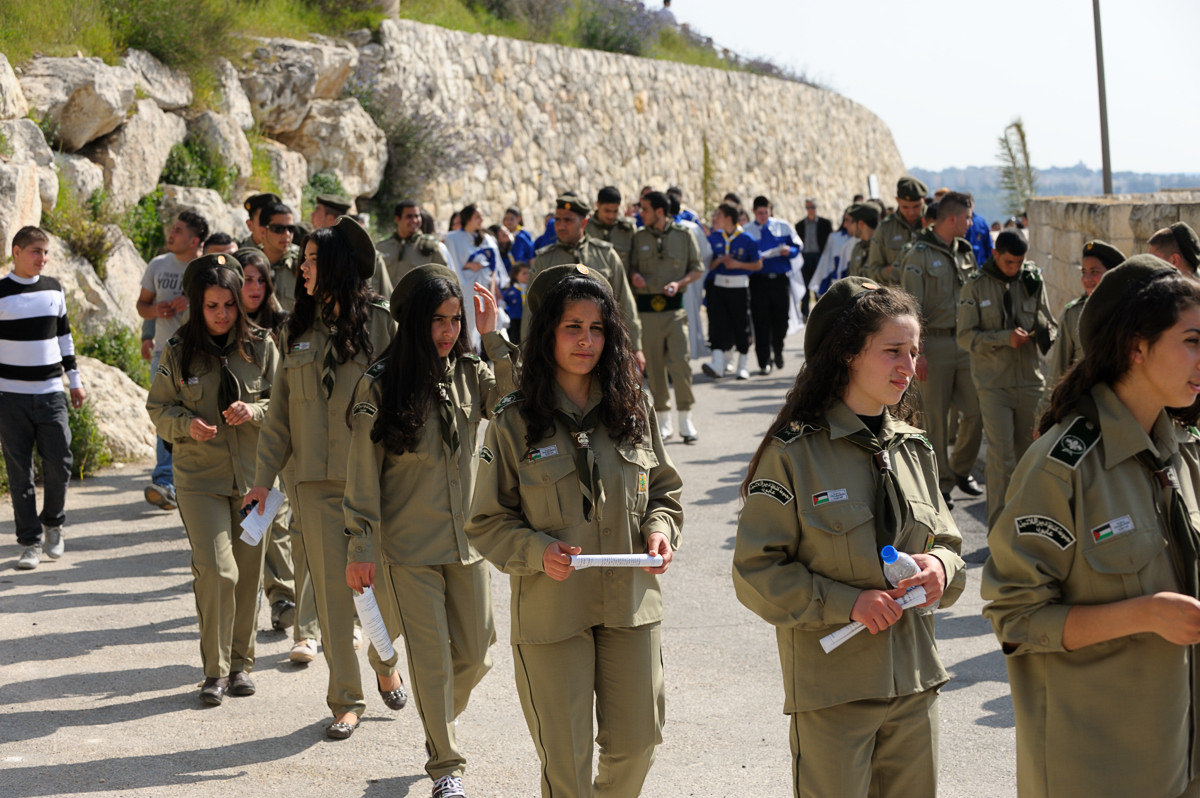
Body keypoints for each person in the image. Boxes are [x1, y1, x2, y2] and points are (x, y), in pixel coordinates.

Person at [732, 276, 965, 798]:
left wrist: (939, 570)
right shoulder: (794, 453)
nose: (910, 367)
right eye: (893, 352)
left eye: (913, 352)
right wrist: (848, 602)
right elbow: (755, 572)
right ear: (847, 355)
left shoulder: (914, 448)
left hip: (914, 680)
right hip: (834, 689)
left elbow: (949, 545)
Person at [981, 256, 1200, 798]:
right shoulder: (1061, 467)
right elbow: (1016, 617)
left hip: (1180, 750)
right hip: (1101, 765)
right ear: (1136, 346)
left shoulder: (1179, 455)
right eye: (1193, 340)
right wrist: (1147, 614)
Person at [466, 264, 683, 798]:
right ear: (547, 334)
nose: (586, 340)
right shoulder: (513, 419)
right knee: (566, 762)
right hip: (553, 611)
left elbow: (665, 490)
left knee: (637, 742)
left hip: (630, 604)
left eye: (597, 328)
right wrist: (537, 551)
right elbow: (487, 521)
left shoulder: (632, 406)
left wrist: (659, 530)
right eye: (572, 327)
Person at [344, 265, 513, 798]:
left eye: (455, 320)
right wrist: (360, 544)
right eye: (438, 320)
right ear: (414, 321)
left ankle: (429, 709)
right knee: (434, 660)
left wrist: (492, 338)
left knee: (478, 653)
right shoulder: (381, 381)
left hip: (468, 543)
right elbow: (363, 473)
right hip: (408, 548)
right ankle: (446, 766)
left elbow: (516, 406)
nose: (448, 330)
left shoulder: (469, 369)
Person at [243, 217, 404, 740]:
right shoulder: (294, 330)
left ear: (335, 267)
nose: (302, 268)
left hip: (377, 481)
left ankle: (384, 661)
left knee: (385, 590)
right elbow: (282, 415)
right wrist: (263, 480)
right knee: (336, 598)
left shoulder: (381, 325)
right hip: (314, 483)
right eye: (303, 260)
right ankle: (345, 699)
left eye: (312, 260)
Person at [146, 254, 279, 704]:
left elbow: (284, 406)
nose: (221, 314)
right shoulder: (179, 349)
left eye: (228, 304)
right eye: (211, 306)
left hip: (255, 481)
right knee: (217, 570)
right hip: (199, 478)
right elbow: (158, 409)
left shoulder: (261, 346)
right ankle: (215, 671)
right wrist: (187, 426)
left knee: (246, 576)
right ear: (197, 307)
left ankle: (242, 665)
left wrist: (255, 410)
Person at [957, 230, 1056, 529]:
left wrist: (1042, 331)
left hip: (1029, 381)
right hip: (993, 383)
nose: (1015, 268)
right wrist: (1004, 338)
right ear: (996, 254)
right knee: (1001, 458)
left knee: (1030, 456)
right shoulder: (974, 286)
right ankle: (999, 530)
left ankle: (1026, 527)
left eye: (1020, 262)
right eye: (1009, 262)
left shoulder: (1031, 279)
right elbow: (964, 337)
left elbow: (1049, 321)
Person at [1, 226, 87, 571]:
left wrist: (75, 381)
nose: (43, 259)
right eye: (36, 251)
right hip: (10, 397)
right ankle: (30, 542)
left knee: (60, 462)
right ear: (17, 252)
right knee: (20, 472)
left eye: (46, 252)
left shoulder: (54, 289)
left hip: (51, 392)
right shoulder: (1, 293)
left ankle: (53, 523)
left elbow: (64, 338)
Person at [900, 191, 984, 509]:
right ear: (952, 219)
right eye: (967, 217)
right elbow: (910, 306)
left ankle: (960, 469)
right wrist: (916, 352)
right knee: (935, 419)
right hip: (932, 344)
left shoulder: (965, 251)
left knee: (976, 411)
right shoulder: (918, 254)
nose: (970, 223)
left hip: (963, 342)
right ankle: (941, 484)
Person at [137, 209, 209, 511]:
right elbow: (143, 304)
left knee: (196, 414)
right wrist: (152, 322)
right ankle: (165, 480)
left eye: (179, 230)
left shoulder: (204, 267)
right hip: (163, 353)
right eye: (173, 228)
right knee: (163, 414)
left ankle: (192, 481)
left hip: (199, 353)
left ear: (194, 240)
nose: (172, 233)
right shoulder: (157, 264)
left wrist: (192, 301)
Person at [530, 194, 644, 369]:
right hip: (558, 353)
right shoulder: (544, 260)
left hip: (601, 348)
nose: (560, 225)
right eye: (558, 220)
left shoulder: (606, 254)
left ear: (584, 222)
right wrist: (528, 352)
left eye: (568, 220)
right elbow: (531, 314)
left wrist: (635, 347)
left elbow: (624, 302)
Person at [630, 190, 704, 442]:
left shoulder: (684, 235)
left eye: (645, 209)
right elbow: (629, 268)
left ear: (659, 212)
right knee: (655, 366)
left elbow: (697, 268)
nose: (641, 213)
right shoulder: (638, 237)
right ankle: (663, 418)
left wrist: (679, 282)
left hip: (674, 310)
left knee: (680, 363)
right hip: (648, 312)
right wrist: (634, 276)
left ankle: (686, 417)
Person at [1037, 240, 1125, 419]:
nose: (1087, 279)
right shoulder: (1073, 315)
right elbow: (1058, 371)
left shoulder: (1129, 313)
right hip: (1084, 411)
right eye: (1084, 272)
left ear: (1113, 274)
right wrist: (1044, 415)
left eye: (1095, 272)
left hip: (1123, 411)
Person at [702, 202, 761, 381]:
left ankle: (742, 365)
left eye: (719, 215)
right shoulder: (714, 238)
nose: (716, 218)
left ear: (728, 218)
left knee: (740, 327)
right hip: (719, 287)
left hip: (739, 287)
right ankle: (717, 365)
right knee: (718, 325)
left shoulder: (747, 239)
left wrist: (737, 264)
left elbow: (758, 264)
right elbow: (707, 265)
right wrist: (720, 261)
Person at [744, 196, 801, 376]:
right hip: (758, 281)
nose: (763, 216)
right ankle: (764, 361)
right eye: (760, 213)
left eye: (766, 212)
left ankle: (778, 349)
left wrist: (788, 251)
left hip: (779, 280)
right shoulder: (746, 231)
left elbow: (797, 246)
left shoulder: (782, 226)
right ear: (754, 212)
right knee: (761, 321)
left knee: (781, 319)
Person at [444, 204, 507, 351]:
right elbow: (452, 265)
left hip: (484, 288)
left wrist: (493, 291)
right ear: (468, 219)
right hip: (465, 289)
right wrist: (469, 265)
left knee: (486, 327)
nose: (481, 219)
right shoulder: (453, 238)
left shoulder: (488, 239)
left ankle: (478, 355)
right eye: (477, 216)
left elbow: (494, 268)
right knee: (467, 324)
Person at [865, 176, 927, 286]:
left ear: (924, 200)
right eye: (905, 207)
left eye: (916, 206)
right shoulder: (885, 228)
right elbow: (873, 271)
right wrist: (893, 269)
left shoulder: (935, 223)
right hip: (899, 298)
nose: (911, 212)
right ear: (897, 201)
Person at [376, 200, 450, 287]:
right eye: (409, 216)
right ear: (397, 219)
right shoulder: (381, 248)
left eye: (417, 216)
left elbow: (445, 279)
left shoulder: (431, 247)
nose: (414, 220)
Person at [257, 202, 301, 312]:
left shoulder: (303, 263)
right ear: (263, 231)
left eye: (291, 229)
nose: (286, 234)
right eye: (278, 229)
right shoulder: (250, 263)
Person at [794, 198, 833, 320]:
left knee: (820, 286)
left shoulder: (825, 224)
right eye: (808, 207)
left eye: (813, 207)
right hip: (805, 257)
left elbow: (830, 241)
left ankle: (820, 313)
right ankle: (805, 313)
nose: (811, 210)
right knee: (805, 286)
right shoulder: (800, 225)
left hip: (819, 257)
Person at [588, 186, 637, 268]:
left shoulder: (628, 229)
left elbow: (635, 263)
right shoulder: (585, 229)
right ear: (597, 205)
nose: (611, 216)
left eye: (615, 211)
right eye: (607, 211)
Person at [843, 202, 880, 279]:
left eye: (849, 221)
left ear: (861, 223)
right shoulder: (858, 248)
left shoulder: (882, 247)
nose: (845, 225)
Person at [501, 261, 529, 343]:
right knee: (515, 341)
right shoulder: (510, 291)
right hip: (514, 321)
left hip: (528, 319)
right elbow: (503, 302)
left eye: (528, 273)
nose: (527, 275)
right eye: (524, 273)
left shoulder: (531, 289)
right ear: (516, 275)